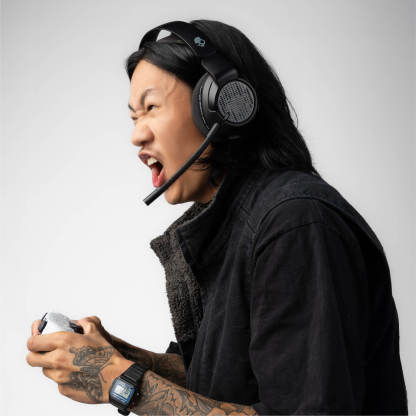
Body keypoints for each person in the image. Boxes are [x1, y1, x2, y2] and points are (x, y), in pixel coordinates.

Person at [26, 19, 408, 415]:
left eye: (151, 108)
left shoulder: (293, 224)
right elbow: (231, 383)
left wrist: (122, 383)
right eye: (134, 117)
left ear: (223, 108)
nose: (136, 135)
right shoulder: (243, 225)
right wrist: (117, 357)